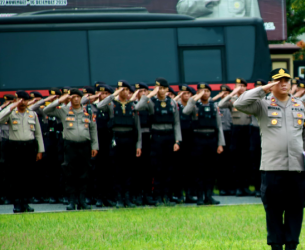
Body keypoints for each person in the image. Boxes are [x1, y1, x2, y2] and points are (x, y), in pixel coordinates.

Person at [234, 68, 305, 250]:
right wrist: (264, 89)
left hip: (296, 167)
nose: (284, 83)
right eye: (279, 80)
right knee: (273, 210)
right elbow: (239, 103)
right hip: (272, 168)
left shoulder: (299, 104)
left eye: (286, 80)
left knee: (295, 209)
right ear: (272, 83)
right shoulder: (262, 105)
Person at [43, 89, 98, 210]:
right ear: (70, 98)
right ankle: (72, 200)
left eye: (78, 97)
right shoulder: (64, 110)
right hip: (70, 146)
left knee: (84, 173)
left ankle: (82, 200)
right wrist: (59, 100)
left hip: (85, 145)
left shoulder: (87, 111)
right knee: (70, 173)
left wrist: (95, 146)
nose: (76, 99)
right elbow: (46, 110)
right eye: (73, 97)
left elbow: (93, 129)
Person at [135, 78, 182, 206]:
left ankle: (167, 196)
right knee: (157, 168)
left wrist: (177, 141)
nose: (160, 91)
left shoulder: (172, 103)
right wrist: (148, 95)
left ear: (167, 89)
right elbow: (137, 107)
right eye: (158, 88)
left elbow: (177, 123)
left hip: (170, 137)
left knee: (169, 168)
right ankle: (157, 196)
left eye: (162, 88)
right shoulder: (151, 101)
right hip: (156, 137)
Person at [0, 91, 44, 213]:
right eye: (20, 100)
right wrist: (11, 106)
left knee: (28, 177)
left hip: (29, 146)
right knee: (16, 177)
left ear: (28, 102)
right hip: (15, 147)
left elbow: (38, 133)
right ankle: (17, 203)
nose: (22, 103)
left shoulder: (32, 114)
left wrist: (40, 150)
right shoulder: (11, 113)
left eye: (25, 100)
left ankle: (26, 202)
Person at [96, 80, 142, 208]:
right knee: (117, 171)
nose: (125, 92)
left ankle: (127, 197)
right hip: (116, 140)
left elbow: (137, 127)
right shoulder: (112, 104)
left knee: (129, 170)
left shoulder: (132, 105)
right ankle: (119, 198)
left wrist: (138, 145)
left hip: (129, 140)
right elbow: (99, 105)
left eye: (127, 90)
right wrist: (113, 94)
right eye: (122, 90)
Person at [182, 83, 225, 206]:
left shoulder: (214, 105)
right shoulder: (194, 105)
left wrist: (220, 144)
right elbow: (185, 111)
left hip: (211, 139)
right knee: (199, 170)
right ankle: (200, 197)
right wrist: (194, 99)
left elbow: (219, 126)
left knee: (210, 170)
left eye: (207, 91)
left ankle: (209, 196)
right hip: (198, 140)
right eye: (201, 91)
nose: (204, 93)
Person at [219, 78, 255, 196]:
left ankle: (245, 187)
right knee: (236, 160)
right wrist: (232, 93)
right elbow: (220, 104)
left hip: (247, 130)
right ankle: (238, 187)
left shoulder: (250, 99)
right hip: (236, 131)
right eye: (239, 86)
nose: (241, 88)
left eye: (243, 86)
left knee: (246, 160)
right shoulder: (232, 100)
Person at [210, 84, 233, 195]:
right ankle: (222, 187)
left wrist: (229, 97)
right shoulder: (216, 105)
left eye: (226, 93)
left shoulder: (232, 103)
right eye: (222, 93)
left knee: (230, 162)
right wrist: (221, 96)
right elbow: (219, 103)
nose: (224, 95)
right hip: (220, 135)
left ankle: (230, 187)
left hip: (230, 134)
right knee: (221, 163)